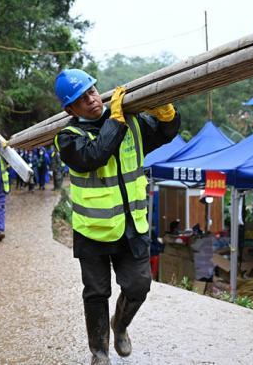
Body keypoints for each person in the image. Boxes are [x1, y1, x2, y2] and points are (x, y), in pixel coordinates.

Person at [53, 69, 180, 364]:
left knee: (139, 286)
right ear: (70, 109)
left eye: (92, 92)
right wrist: (115, 121)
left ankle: (120, 325)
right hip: (92, 230)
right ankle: (99, 351)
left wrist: (166, 114)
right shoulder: (68, 138)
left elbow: (166, 133)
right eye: (82, 99)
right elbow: (94, 156)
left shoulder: (130, 122)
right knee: (96, 294)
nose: (92, 100)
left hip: (132, 226)